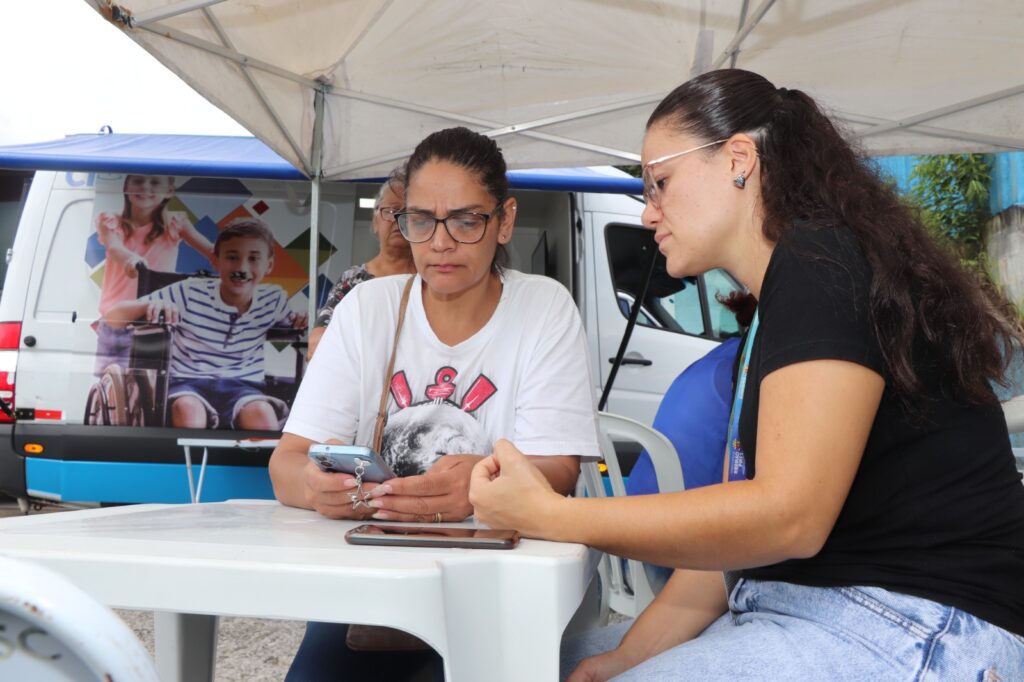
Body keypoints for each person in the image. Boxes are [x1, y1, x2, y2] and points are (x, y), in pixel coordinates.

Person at [469, 69, 1024, 680]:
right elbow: (732, 550)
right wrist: (623, 659)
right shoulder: (777, 304)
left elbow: (788, 517)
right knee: (515, 664)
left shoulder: (821, 261)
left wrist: (550, 515)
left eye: (660, 183)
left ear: (739, 160)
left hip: (915, 620)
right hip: (794, 604)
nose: (649, 214)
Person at [269, 126, 600, 680]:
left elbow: (559, 470)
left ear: (505, 221)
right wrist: (315, 487)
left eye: (466, 221)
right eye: (421, 220)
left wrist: (481, 483)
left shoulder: (543, 308)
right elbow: (287, 463)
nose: (440, 243)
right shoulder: (366, 309)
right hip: (372, 593)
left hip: (497, 588)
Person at [105, 217, 306, 430]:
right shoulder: (189, 291)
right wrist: (150, 305)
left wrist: (303, 319)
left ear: (269, 265)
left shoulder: (273, 300)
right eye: (232, 257)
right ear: (216, 261)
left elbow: (297, 327)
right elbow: (113, 317)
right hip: (188, 383)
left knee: (262, 414)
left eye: (253, 258)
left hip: (243, 387)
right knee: (189, 410)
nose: (241, 268)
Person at [94, 174, 215, 374]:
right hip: (114, 319)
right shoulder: (111, 221)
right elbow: (114, 247)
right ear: (126, 186)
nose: (145, 187)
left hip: (152, 322)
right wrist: (132, 259)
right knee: (108, 382)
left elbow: (211, 251)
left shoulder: (175, 223)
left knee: (143, 384)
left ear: (169, 191)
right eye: (138, 181)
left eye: (155, 183)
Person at [306, 167, 416, 359]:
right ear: (375, 221)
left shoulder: (432, 279)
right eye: (390, 210)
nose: (398, 219)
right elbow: (319, 340)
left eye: (408, 212)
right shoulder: (353, 280)